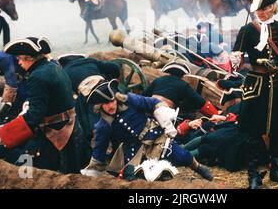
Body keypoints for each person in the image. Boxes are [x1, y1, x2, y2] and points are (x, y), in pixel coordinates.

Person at [230, 0, 278, 189]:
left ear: (273, 7)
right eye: (258, 8)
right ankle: (254, 175)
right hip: (256, 85)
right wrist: (235, 59)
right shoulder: (247, 30)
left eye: (266, 7)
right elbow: (236, 57)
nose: (261, 12)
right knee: (254, 130)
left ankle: (276, 170)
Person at [0, 37, 84, 173]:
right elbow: (52, 99)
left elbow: (35, 115)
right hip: (69, 126)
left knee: (32, 172)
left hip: (56, 131)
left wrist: (2, 134)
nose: (19, 63)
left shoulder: (37, 76)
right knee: (68, 173)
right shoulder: (52, 66)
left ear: (29, 58)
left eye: (20, 59)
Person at [80, 79, 213, 181]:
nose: (110, 105)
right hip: (133, 151)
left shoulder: (131, 100)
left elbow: (152, 103)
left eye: (112, 101)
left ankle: (199, 168)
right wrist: (90, 174)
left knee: (182, 156)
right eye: (105, 103)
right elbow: (99, 153)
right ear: (99, 106)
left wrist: (161, 112)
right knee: (136, 177)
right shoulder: (102, 126)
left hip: (155, 136)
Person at [58, 53, 120, 163]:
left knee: (92, 127)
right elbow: (114, 67)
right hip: (106, 88)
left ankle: (99, 157)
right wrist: (111, 80)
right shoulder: (90, 61)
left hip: (88, 95)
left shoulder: (64, 71)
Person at [141, 61, 220, 116]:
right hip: (165, 111)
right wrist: (215, 114)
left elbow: (144, 94)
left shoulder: (159, 80)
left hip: (149, 106)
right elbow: (200, 102)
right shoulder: (183, 85)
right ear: (183, 75)